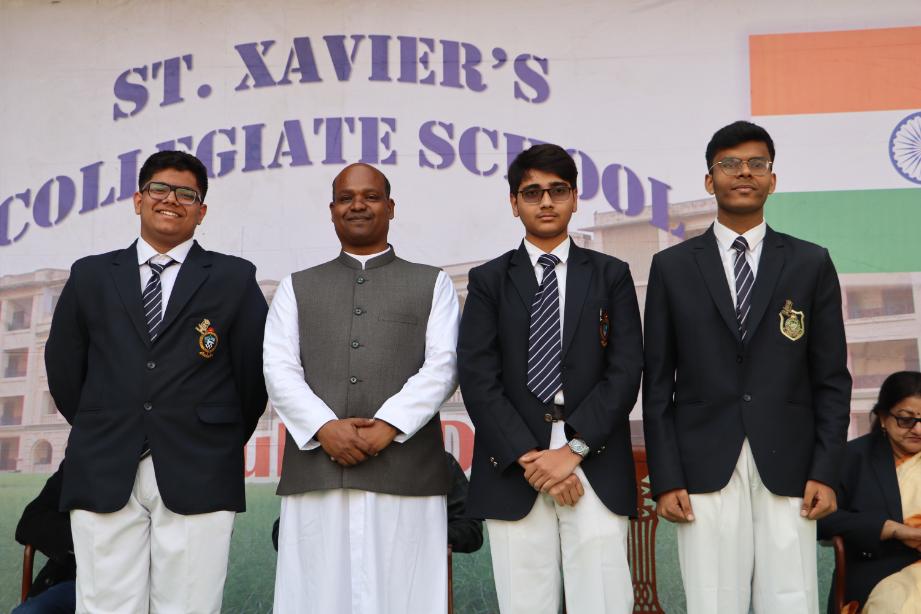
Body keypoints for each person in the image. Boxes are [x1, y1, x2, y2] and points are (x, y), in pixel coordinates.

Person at [642, 120, 852, 614]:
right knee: (713, 600)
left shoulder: (809, 262)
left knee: (790, 599)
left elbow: (831, 380)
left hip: (790, 463)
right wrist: (667, 478)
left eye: (757, 164)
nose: (744, 173)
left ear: (772, 180)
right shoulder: (673, 267)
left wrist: (826, 472)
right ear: (709, 179)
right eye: (730, 164)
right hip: (703, 462)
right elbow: (657, 384)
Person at [45, 150, 268, 613]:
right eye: (160, 189)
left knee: (190, 604)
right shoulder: (90, 275)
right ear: (138, 199)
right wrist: (105, 422)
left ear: (201, 211)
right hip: (105, 460)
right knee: (105, 604)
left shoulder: (234, 277)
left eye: (187, 194)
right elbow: (65, 370)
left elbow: (252, 376)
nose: (171, 200)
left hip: (199, 463)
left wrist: (215, 434)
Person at [264, 162, 460, 614]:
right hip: (318, 471)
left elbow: (444, 365)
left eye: (370, 196)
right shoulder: (296, 286)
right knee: (315, 598)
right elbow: (278, 368)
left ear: (390, 207)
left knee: (408, 598)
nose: (358, 205)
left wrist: (389, 425)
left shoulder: (432, 282)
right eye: (346, 197)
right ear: (331, 210)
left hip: (407, 474)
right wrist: (324, 427)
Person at [457, 143, 643, 613]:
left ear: (575, 198)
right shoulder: (489, 280)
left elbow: (625, 371)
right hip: (514, 466)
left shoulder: (611, 275)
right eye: (532, 192)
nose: (545, 202)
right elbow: (478, 377)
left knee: (602, 602)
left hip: (594, 458)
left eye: (557, 191)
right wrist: (533, 459)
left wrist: (572, 451)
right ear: (513, 202)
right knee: (525, 603)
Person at [818, 371, 921, 613]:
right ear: (883, 418)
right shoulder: (852, 458)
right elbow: (822, 519)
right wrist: (890, 528)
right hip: (882, 571)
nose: (918, 429)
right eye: (906, 420)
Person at [270, 451, 484, 554]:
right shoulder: (321, 460)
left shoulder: (436, 461)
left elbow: (471, 532)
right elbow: (281, 534)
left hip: (410, 585)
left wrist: (412, 534)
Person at [13, 462, 76, 614]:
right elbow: (30, 521)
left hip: (129, 586)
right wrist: (81, 538)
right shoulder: (80, 462)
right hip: (74, 582)